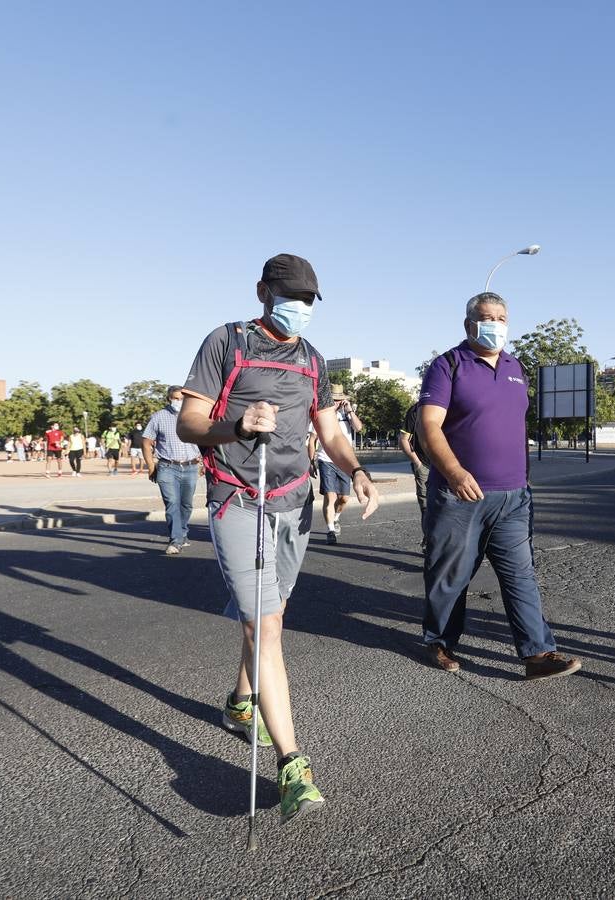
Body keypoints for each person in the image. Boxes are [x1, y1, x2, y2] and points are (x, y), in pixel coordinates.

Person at [176, 252, 379, 825]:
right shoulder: (227, 342)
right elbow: (191, 423)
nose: (301, 308)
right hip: (239, 496)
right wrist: (236, 426)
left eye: (310, 299)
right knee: (264, 625)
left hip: (295, 498)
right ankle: (294, 767)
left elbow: (329, 429)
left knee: (271, 614)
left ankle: (243, 703)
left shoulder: (313, 359)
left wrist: (357, 470)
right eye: (291, 296)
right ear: (262, 290)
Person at [418, 292, 581, 681]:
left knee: (520, 574)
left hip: (513, 496)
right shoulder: (448, 365)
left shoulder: (515, 366)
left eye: (502, 318)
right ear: (469, 324)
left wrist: (523, 480)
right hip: (460, 494)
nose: (496, 325)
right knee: (451, 574)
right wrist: (456, 473)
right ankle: (440, 641)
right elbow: (428, 427)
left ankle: (538, 653)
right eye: (487, 317)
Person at [141, 388, 200, 554]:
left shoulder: (194, 417)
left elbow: (204, 441)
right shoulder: (158, 417)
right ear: (169, 399)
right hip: (167, 467)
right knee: (172, 502)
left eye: (182, 399)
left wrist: (202, 463)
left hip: (190, 466)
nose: (178, 402)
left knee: (186, 504)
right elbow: (146, 443)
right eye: (175, 398)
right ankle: (175, 540)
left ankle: (182, 533)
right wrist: (151, 467)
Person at [314, 385, 363, 544]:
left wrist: (349, 410)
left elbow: (359, 428)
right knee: (330, 496)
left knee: (344, 499)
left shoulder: (347, 414)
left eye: (339, 400)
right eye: (333, 400)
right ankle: (330, 531)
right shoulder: (323, 413)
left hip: (343, 461)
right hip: (326, 459)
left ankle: (335, 518)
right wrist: (311, 460)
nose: (336, 403)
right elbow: (313, 439)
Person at [398, 400, 430, 549]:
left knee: (448, 505)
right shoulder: (415, 411)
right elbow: (403, 440)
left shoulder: (450, 406)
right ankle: (429, 540)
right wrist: (417, 463)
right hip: (424, 465)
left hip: (446, 466)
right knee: (426, 506)